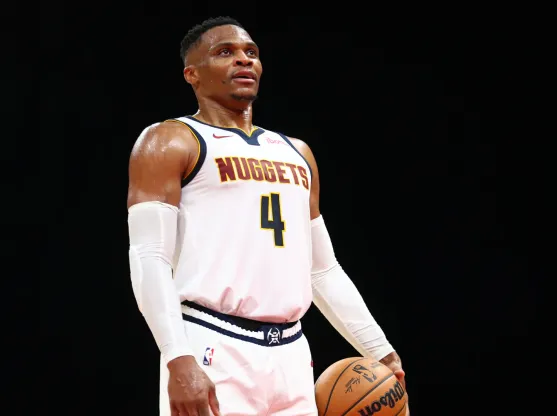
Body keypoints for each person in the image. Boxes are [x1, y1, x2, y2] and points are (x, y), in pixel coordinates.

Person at [126, 16, 409, 416]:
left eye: (251, 53)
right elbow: (149, 257)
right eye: (225, 53)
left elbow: (322, 270)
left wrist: (380, 349)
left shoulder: (296, 151)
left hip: (292, 354)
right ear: (192, 74)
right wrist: (177, 356)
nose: (244, 60)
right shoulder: (170, 140)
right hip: (212, 341)